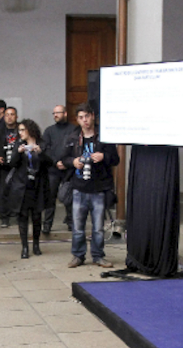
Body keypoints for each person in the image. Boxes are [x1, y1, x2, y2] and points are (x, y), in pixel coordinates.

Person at [61, 103, 119, 269]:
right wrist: (73, 161)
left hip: (99, 188)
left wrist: (104, 156)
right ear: (77, 120)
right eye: (81, 117)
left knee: (98, 228)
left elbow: (116, 159)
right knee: (78, 227)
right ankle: (78, 256)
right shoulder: (73, 138)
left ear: (93, 116)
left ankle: (98, 256)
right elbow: (63, 158)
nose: (84, 120)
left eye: (87, 116)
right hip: (79, 188)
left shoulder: (103, 137)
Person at [7, 119, 53, 259]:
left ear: (30, 130)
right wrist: (18, 152)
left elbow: (50, 162)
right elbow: (11, 164)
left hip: (38, 185)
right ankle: (25, 247)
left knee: (37, 216)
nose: (20, 133)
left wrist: (40, 152)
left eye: (22, 130)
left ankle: (36, 245)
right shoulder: (18, 144)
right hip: (22, 186)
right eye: (19, 130)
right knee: (23, 217)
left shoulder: (42, 143)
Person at [42, 105, 78, 233]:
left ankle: (71, 223)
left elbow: (77, 148)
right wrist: (55, 162)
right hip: (53, 170)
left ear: (65, 113)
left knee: (69, 198)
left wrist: (67, 163)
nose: (55, 115)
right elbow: (45, 149)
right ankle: (47, 225)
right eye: (54, 113)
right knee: (50, 198)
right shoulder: (49, 131)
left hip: (69, 170)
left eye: (58, 113)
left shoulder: (74, 130)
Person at [0, 107, 19, 227]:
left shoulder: (21, 129)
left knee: (18, 191)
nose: (9, 117)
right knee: (3, 192)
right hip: (4, 167)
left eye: (12, 114)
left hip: (19, 166)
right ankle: (4, 218)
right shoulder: (0, 131)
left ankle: (20, 216)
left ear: (16, 116)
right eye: (7, 115)